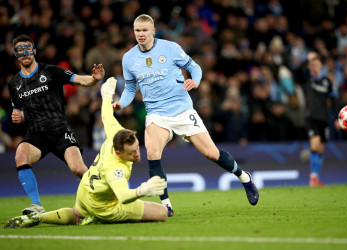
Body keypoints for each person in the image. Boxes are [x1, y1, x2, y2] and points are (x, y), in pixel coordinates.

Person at [112, 14, 259, 216]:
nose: (141, 34)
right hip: (156, 114)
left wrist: (195, 80)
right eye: (137, 31)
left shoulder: (170, 48)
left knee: (211, 153)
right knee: (153, 153)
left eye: (145, 30)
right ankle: (166, 205)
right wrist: (121, 103)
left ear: (153, 31)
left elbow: (194, 67)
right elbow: (130, 88)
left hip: (182, 109)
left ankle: (245, 178)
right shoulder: (128, 58)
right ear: (133, 32)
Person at [4, 77, 168, 228]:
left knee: (76, 214)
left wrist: (106, 93)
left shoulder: (116, 133)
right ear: (118, 154)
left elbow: (106, 114)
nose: (137, 154)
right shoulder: (115, 169)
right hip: (105, 207)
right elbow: (124, 196)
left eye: (137, 148)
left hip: (85, 191)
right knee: (162, 213)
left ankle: (40, 217)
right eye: (131, 154)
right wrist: (143, 190)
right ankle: (97, 217)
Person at [8, 34, 105, 215]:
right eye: (20, 50)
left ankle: (104, 194)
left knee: (78, 168)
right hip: (36, 133)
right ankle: (36, 205)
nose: (25, 53)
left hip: (59, 128)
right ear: (16, 54)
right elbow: (18, 111)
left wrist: (95, 79)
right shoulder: (14, 84)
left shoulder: (50, 71)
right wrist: (18, 116)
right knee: (21, 155)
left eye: (28, 49)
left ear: (34, 51)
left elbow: (80, 80)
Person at [304, 52, 338, 186]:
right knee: (314, 144)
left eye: (317, 64)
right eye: (312, 65)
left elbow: (333, 100)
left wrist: (336, 118)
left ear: (321, 65)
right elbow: (300, 70)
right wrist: (308, 60)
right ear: (310, 67)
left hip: (323, 118)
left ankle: (316, 177)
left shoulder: (327, 82)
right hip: (311, 117)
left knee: (320, 149)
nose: (315, 67)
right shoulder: (308, 79)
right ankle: (312, 178)